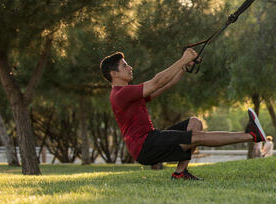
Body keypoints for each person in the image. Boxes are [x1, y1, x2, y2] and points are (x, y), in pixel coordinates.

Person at [99, 48, 266, 181]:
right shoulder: (120, 93)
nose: (130, 68)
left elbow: (164, 85)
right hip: (145, 145)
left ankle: (180, 173)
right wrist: (182, 60)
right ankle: (251, 135)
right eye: (124, 65)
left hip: (150, 140)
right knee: (197, 137)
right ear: (114, 73)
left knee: (194, 123)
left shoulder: (128, 93)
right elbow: (156, 82)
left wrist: (184, 67)